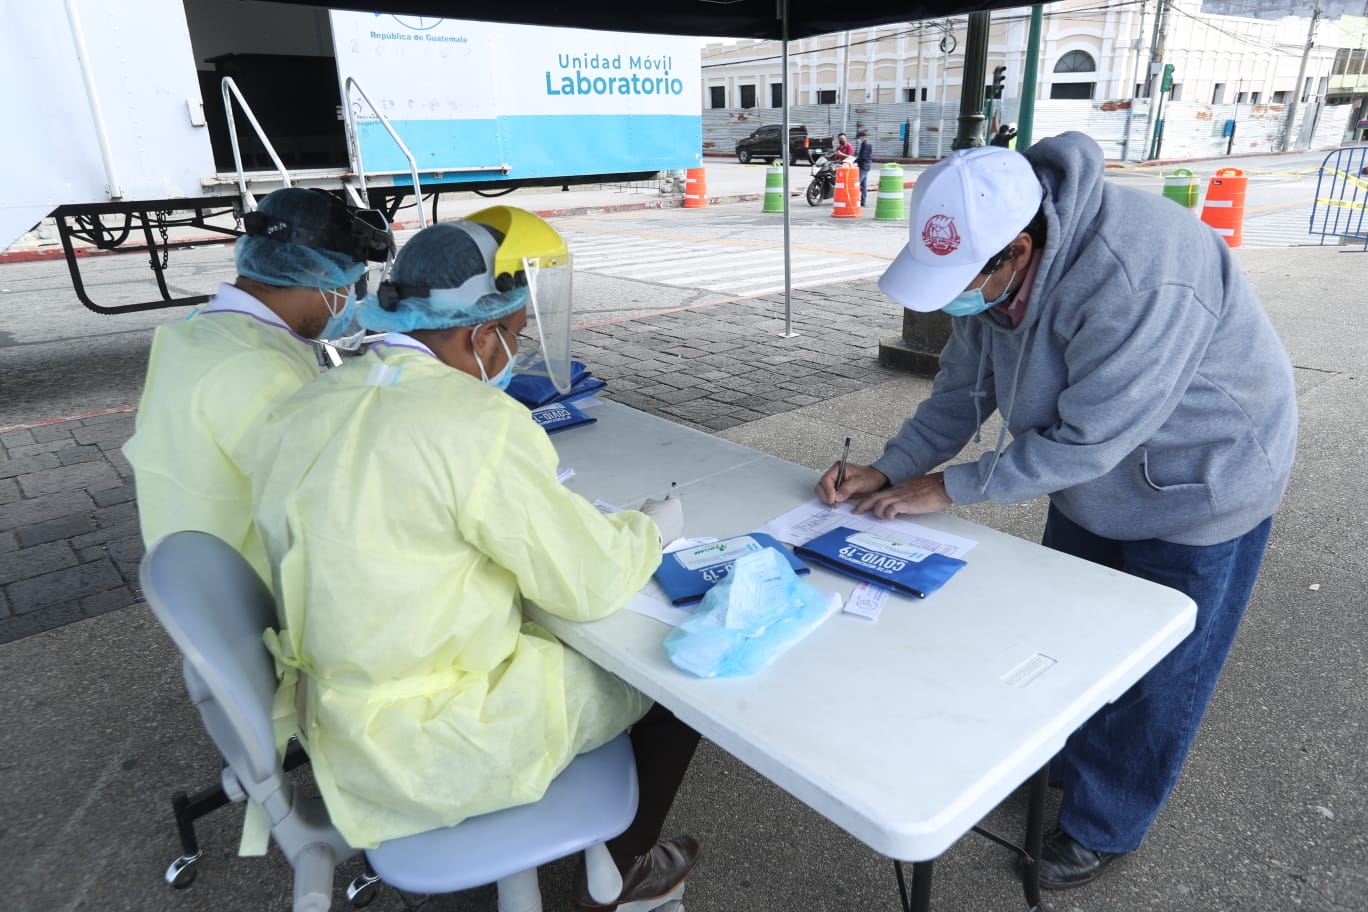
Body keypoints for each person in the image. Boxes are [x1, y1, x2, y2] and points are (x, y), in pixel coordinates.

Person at [815, 134, 1296, 890]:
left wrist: (950, 488)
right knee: (1071, 637)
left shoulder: (1139, 277)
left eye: (964, 278)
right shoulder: (997, 271)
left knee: (1161, 669)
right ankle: (1066, 765)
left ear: (1018, 249)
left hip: (1206, 475)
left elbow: (1093, 437)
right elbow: (960, 390)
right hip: (1094, 473)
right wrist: (892, 466)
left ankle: (1108, 823)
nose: (955, 298)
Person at [251, 209, 702, 911]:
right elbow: (588, 583)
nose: (513, 352)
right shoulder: (478, 422)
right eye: (515, 335)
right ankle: (628, 874)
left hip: (337, 720)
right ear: (479, 332)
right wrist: (647, 530)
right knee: (676, 683)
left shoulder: (310, 402)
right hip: (436, 741)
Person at [123, 187, 392, 585]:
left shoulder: (193, 331)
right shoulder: (262, 370)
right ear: (321, 274)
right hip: (259, 584)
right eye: (348, 283)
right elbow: (327, 504)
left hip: (194, 571)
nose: (348, 300)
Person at [856, 129, 874, 206]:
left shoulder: (865, 144)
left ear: (863, 137)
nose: (859, 139)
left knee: (857, 183)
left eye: (859, 137)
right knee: (864, 185)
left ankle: (855, 199)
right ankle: (863, 201)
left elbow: (863, 156)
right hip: (866, 165)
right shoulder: (867, 144)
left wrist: (855, 160)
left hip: (864, 166)